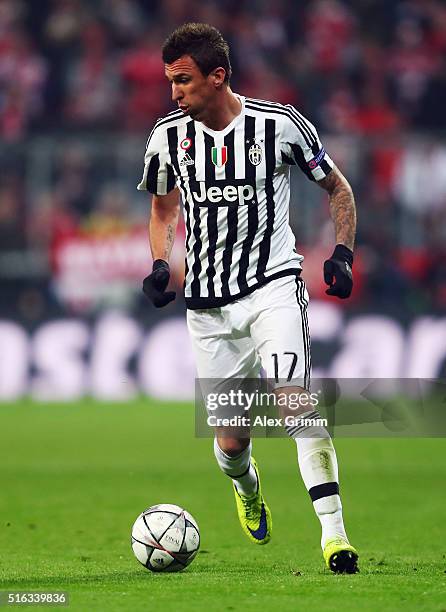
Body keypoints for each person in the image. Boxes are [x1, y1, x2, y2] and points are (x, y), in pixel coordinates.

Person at [138, 22, 358, 574]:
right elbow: (164, 208)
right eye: (170, 81)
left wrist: (342, 253)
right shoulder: (166, 137)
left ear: (218, 76)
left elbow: (338, 186)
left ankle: (335, 538)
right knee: (233, 441)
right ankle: (248, 486)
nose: (175, 93)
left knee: (295, 403)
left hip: (273, 287)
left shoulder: (279, 126)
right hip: (208, 305)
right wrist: (162, 264)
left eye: (183, 81)